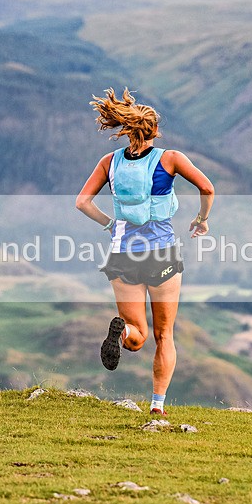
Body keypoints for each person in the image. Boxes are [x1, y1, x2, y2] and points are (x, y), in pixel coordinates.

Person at [75, 87, 214, 416]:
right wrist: (202, 219)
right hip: (161, 253)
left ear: (126, 128)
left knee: (137, 336)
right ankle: (157, 406)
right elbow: (207, 187)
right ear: (154, 130)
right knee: (164, 335)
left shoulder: (109, 162)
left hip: (122, 254)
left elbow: (82, 202)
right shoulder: (170, 159)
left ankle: (123, 332)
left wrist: (110, 225)